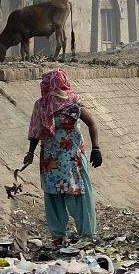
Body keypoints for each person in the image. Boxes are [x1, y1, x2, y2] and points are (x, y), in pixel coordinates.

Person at [23, 69, 102, 244]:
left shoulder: (71, 103)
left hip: (68, 157)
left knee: (71, 193)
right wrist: (30, 152)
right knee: (59, 194)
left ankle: (84, 235)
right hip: (55, 159)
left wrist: (96, 147)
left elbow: (91, 123)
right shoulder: (44, 105)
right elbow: (36, 132)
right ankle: (62, 235)